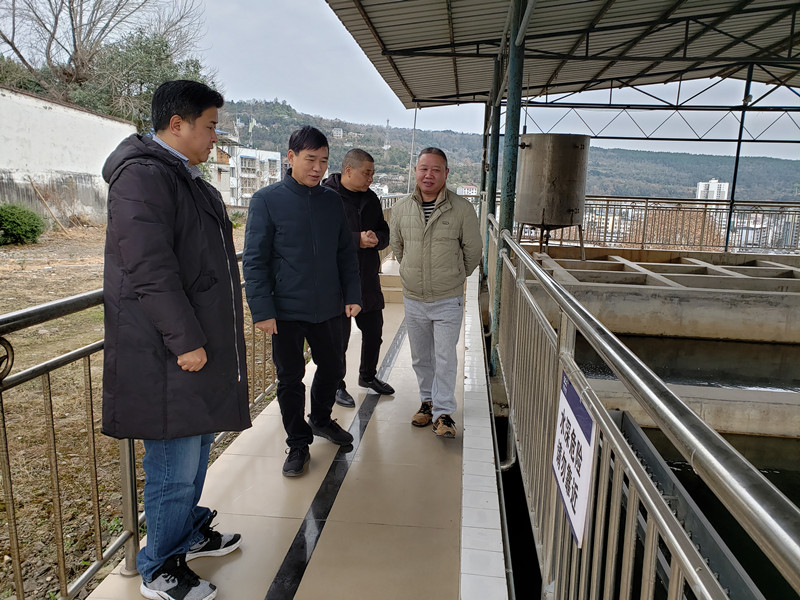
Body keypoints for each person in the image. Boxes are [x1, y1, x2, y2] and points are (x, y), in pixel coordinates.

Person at [102, 80, 251, 600]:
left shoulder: (181, 176)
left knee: (196, 448)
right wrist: (185, 339)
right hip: (166, 352)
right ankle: (159, 566)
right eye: (210, 126)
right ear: (176, 124)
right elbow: (149, 268)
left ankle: (186, 533)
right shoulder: (142, 176)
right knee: (173, 465)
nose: (215, 138)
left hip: (192, 344)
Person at [243, 126, 361, 477]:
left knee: (334, 367)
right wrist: (262, 310)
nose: (317, 168)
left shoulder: (331, 202)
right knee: (290, 378)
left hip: (328, 306)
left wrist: (352, 294)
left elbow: (345, 253)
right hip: (285, 310)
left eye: (324, 161)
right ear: (291, 157)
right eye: (310, 159)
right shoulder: (266, 200)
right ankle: (297, 442)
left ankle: (321, 418)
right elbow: (255, 260)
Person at [389, 147, 482, 439]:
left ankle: (443, 413)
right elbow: (398, 247)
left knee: (444, 357)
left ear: (446, 173)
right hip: (413, 297)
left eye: (436, 169)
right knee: (420, 356)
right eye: (423, 168)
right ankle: (427, 402)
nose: (428, 175)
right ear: (415, 171)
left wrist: (454, 276)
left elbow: (473, 251)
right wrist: (413, 273)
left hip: (447, 299)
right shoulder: (401, 208)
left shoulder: (462, 209)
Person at [322, 149, 395, 407]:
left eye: (373, 174)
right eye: (367, 173)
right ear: (348, 170)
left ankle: (368, 376)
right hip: (337, 281)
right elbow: (320, 237)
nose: (370, 179)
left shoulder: (371, 198)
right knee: (338, 339)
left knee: (374, 331)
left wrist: (377, 239)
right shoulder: (326, 197)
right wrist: (356, 240)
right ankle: (336, 385)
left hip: (366, 277)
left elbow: (383, 230)